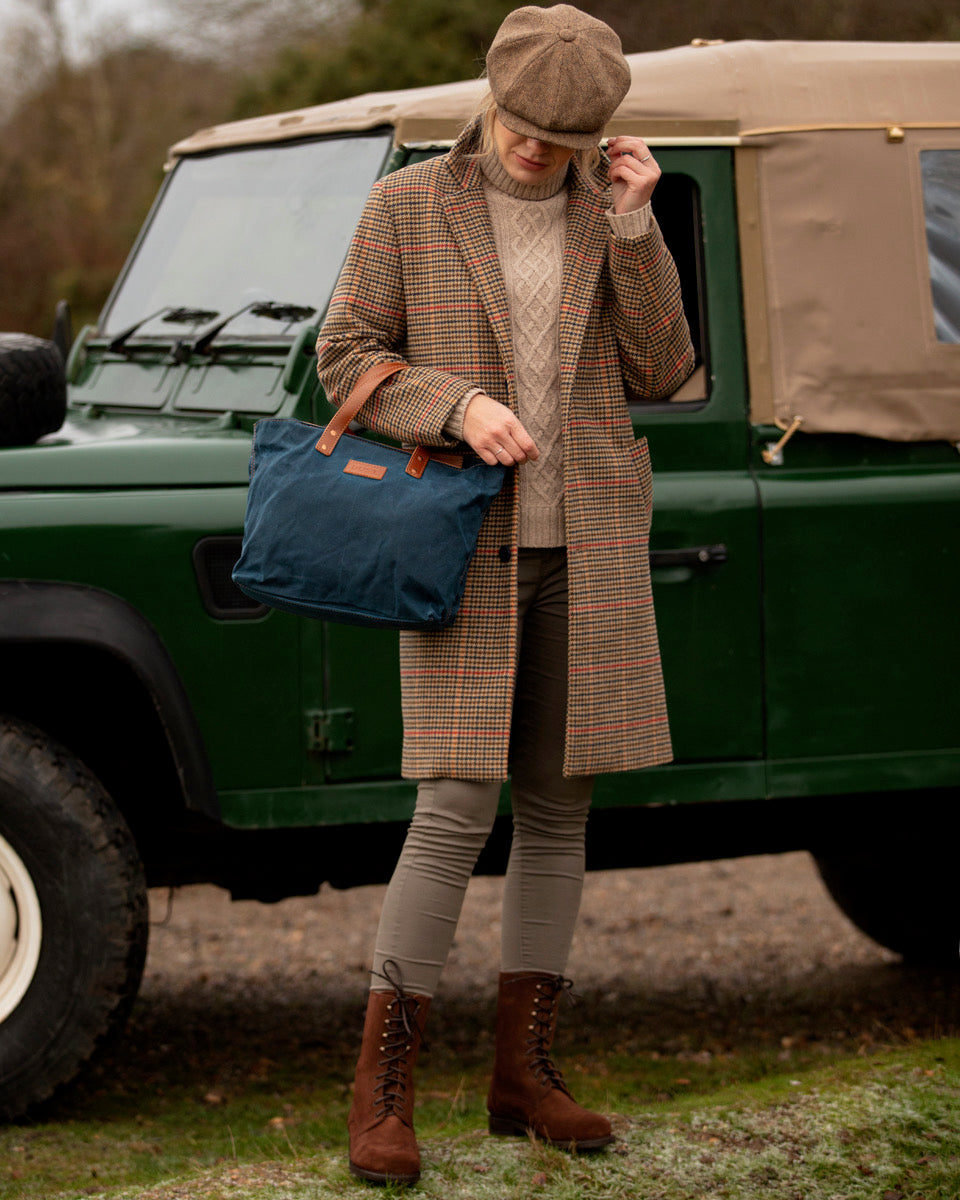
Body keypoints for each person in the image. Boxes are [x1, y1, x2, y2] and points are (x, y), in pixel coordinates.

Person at [317, 3, 694, 1185]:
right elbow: (347, 360)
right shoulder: (407, 205)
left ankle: (523, 1079)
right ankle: (381, 1097)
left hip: (589, 540)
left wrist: (637, 230)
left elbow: (665, 371)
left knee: (560, 810)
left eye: (563, 138)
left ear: (599, 135)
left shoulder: (608, 210)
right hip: (458, 544)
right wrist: (456, 407)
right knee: (452, 808)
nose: (537, 150)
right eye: (525, 126)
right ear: (493, 97)